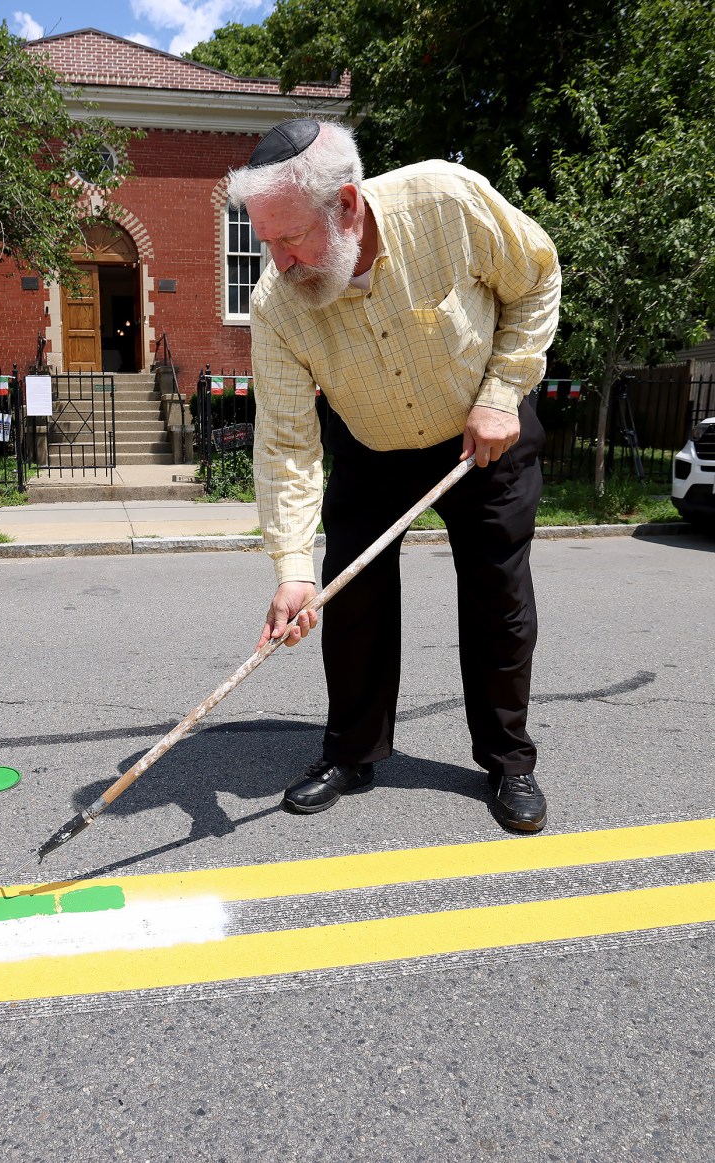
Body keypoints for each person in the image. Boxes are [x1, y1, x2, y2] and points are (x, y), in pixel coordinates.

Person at [225, 120, 561, 832]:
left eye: (291, 239)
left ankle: (508, 760)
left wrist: (504, 392)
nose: (279, 263)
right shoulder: (276, 304)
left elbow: (536, 279)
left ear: (346, 204)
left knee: (499, 600)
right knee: (350, 601)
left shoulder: (448, 200)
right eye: (266, 241)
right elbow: (287, 443)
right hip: (370, 446)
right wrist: (293, 570)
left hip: (481, 435)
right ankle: (351, 752)